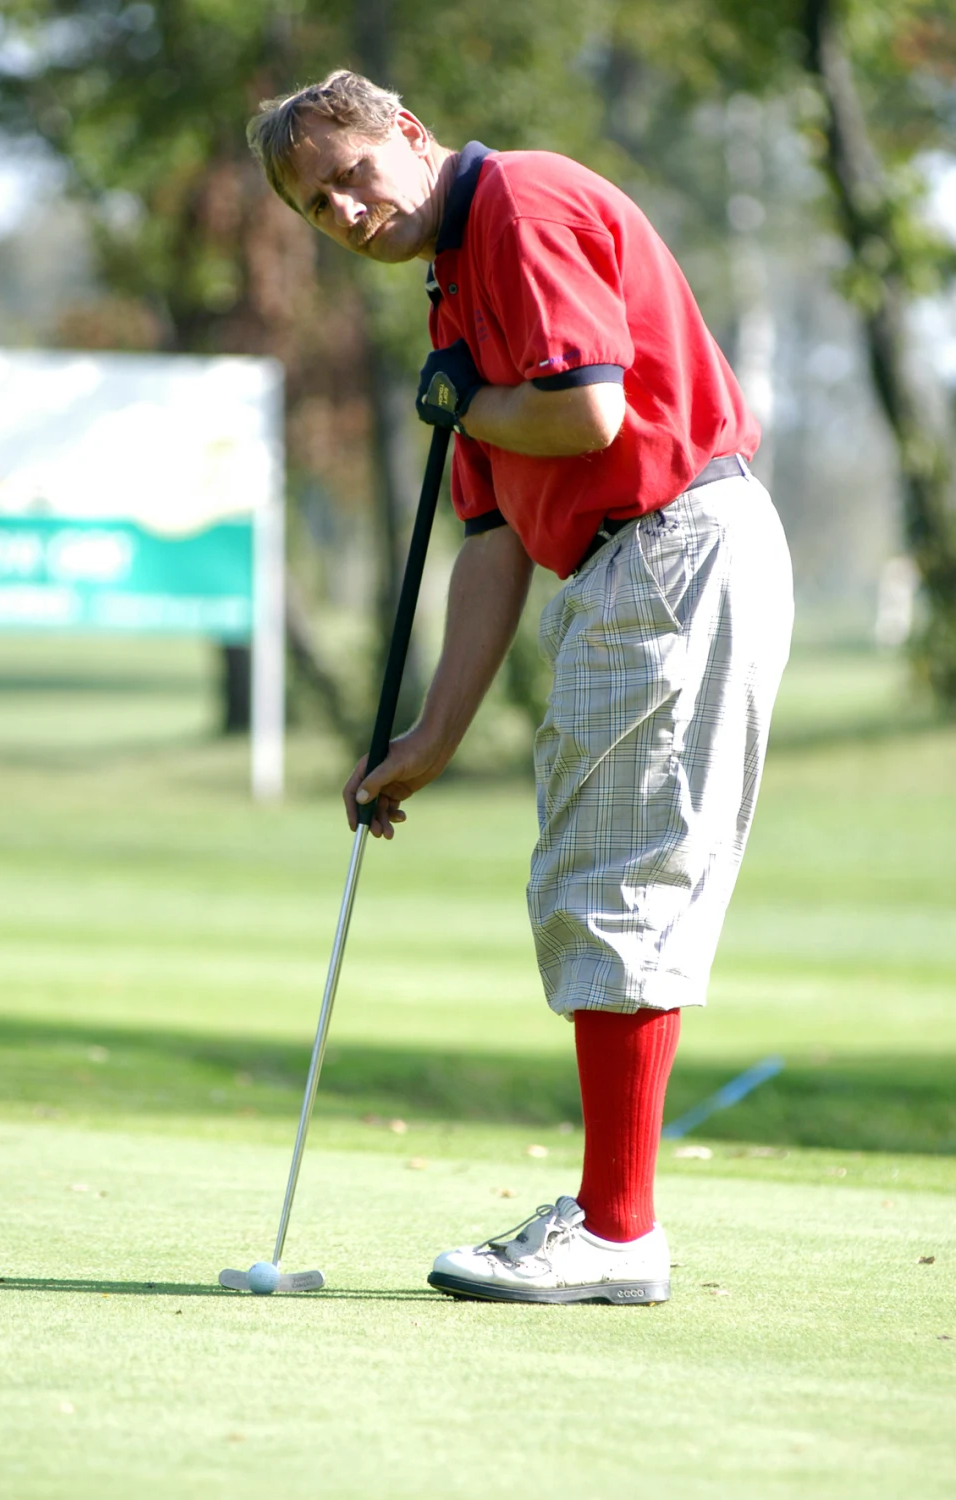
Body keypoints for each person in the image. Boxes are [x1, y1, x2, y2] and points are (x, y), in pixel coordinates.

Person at [247, 70, 794, 1305]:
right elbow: (491, 541)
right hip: (620, 566)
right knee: (591, 877)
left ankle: (614, 1232)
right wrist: (432, 734)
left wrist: (466, 402)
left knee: (618, 882)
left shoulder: (521, 206)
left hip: (667, 539)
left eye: (350, 170)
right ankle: (613, 1221)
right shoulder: (456, 298)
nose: (343, 208)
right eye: (314, 203)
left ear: (409, 131)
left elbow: (587, 415)